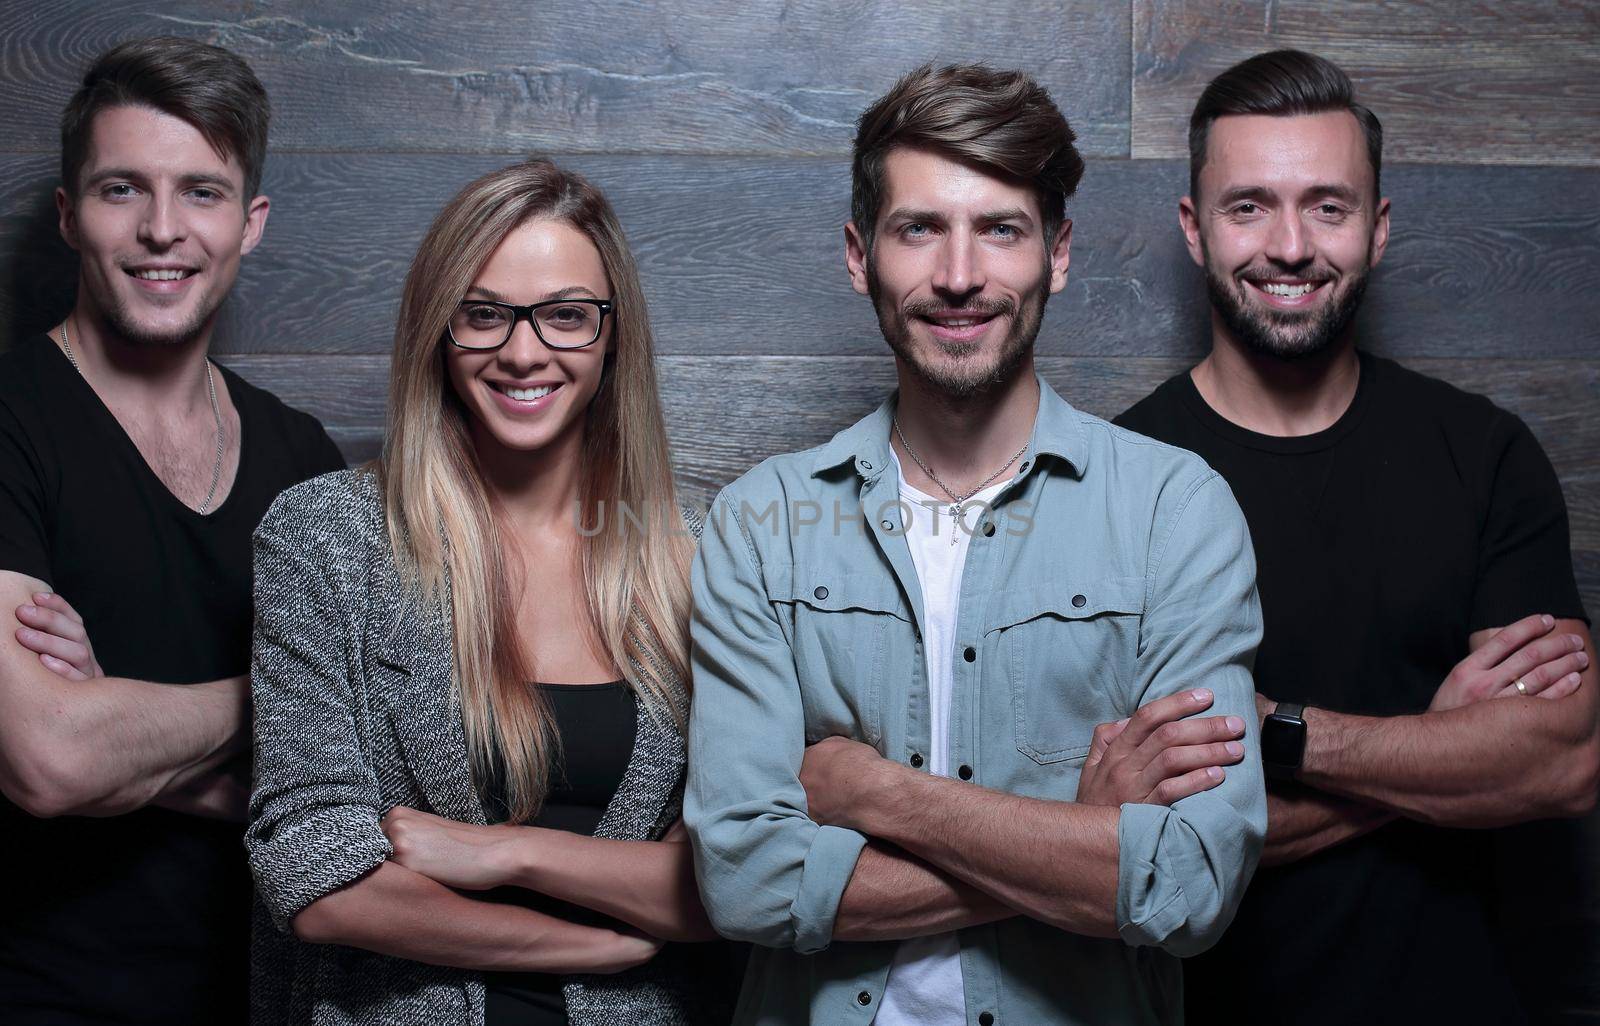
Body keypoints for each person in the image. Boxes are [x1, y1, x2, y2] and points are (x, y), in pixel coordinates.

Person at [685, 63, 1267, 1026]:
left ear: (1059, 252)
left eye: (1001, 228)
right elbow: (746, 882)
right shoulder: (762, 523)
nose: (960, 276)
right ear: (859, 253)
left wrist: (871, 793)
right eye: (920, 228)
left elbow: (1193, 887)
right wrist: (1082, 841)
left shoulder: (1175, 509)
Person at [1114, 49, 1598, 1025]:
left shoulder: (1485, 454)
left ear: (1376, 231)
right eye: (1247, 206)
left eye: (1327, 207)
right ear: (1192, 230)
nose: (1289, 246)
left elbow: (1561, 763)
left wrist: (1275, 735)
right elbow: (1143, 838)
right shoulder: (1121, 479)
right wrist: (1446, 746)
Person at [246, 158, 733, 1026]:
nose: (522, 350)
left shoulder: (704, 553)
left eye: (566, 317)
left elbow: (736, 871)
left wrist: (506, 854)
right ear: (439, 331)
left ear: (613, 335)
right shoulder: (326, 537)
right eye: (483, 315)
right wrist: (600, 942)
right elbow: (317, 875)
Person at [0, 37, 346, 1025]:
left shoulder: (303, 457)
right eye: (122, 190)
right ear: (70, 216)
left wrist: (124, 729)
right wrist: (286, 697)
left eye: (201, 192)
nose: (163, 229)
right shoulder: (13, 421)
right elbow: (48, 759)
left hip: (277, 995)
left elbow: (368, 782)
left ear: (251, 223)